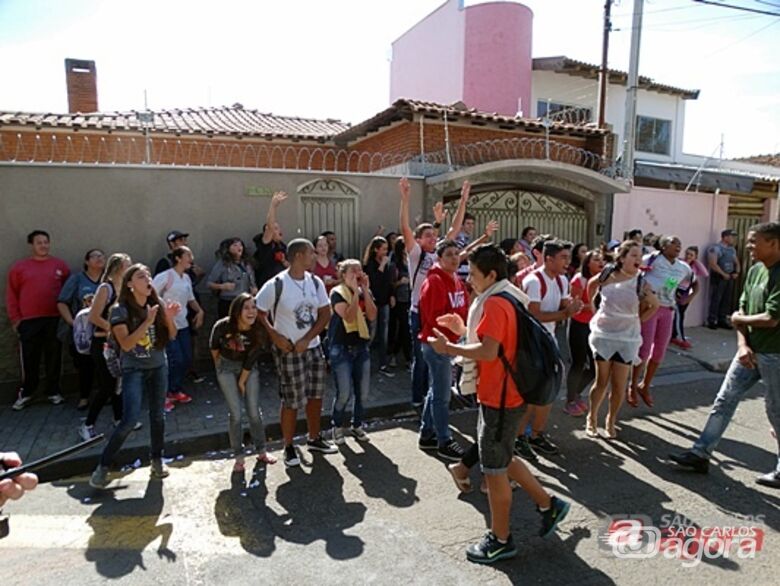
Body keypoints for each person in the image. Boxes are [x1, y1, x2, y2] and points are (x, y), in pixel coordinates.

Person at [428, 244, 570, 564]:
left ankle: (501, 540)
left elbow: (490, 352)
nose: (470, 281)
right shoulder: (507, 297)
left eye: (474, 275)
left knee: (494, 473)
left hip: (501, 398)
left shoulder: (493, 303)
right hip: (508, 394)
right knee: (504, 459)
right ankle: (549, 504)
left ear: (491, 275)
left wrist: (449, 347)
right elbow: (497, 343)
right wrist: (462, 330)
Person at [670, 222, 780, 488]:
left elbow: (772, 317)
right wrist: (742, 345)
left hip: (775, 355)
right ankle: (701, 453)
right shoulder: (755, 271)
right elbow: (741, 310)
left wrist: (738, 318)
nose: (749, 246)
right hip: (749, 352)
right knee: (724, 400)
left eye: (755, 242)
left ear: (774, 243)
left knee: (776, 412)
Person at [90, 264, 180, 488]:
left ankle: (157, 459)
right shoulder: (119, 310)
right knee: (129, 420)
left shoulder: (156, 304)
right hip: (134, 369)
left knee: (158, 416)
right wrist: (148, 322)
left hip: (159, 366)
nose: (148, 279)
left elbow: (172, 335)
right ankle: (102, 466)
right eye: (142, 276)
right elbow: (127, 344)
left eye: (148, 275)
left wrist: (168, 317)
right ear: (130, 284)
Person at [255, 238, 337, 468]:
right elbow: (258, 311)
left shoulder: (315, 282)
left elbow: (324, 313)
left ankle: (314, 438)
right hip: (289, 350)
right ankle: (288, 446)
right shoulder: (276, 284)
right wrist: (275, 336)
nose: (315, 256)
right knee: (291, 401)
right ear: (299, 256)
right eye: (311, 253)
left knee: (315, 395)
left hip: (312, 348)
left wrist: (308, 339)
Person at [399, 176, 471, 408]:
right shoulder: (416, 254)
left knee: (442, 356)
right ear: (418, 240)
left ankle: (435, 396)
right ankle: (418, 400)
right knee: (421, 358)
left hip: (441, 312)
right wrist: (405, 197)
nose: (433, 238)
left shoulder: (440, 253)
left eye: (434, 234)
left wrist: (463, 200)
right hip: (419, 313)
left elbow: (455, 228)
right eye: (427, 235)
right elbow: (405, 227)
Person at [516, 240, 582, 460]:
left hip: (549, 343)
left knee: (548, 393)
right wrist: (565, 314)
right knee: (531, 395)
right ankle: (520, 438)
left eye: (568, 257)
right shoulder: (534, 281)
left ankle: (535, 436)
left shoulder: (562, 279)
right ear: (549, 258)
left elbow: (564, 304)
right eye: (563, 257)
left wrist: (573, 306)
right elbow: (533, 316)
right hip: (531, 346)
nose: (568, 262)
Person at [586, 242, 658, 439]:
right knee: (601, 381)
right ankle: (591, 418)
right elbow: (591, 286)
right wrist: (595, 310)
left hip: (627, 338)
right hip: (604, 335)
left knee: (619, 384)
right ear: (622, 258)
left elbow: (654, 305)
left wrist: (638, 321)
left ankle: (611, 420)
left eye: (640, 255)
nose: (638, 259)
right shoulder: (607, 274)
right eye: (633, 255)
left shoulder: (641, 282)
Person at [210, 293, 277, 472]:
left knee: (254, 411)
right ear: (237, 310)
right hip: (226, 367)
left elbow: (253, 357)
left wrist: (242, 380)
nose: (251, 311)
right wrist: (220, 369)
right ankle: (238, 456)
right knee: (236, 414)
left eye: (254, 307)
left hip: (249, 367)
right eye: (246, 307)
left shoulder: (258, 329)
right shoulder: (223, 326)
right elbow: (214, 348)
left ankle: (261, 450)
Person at [418, 239, 470, 461]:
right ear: (439, 258)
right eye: (449, 254)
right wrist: (452, 333)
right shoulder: (435, 281)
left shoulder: (456, 279)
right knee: (442, 395)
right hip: (436, 344)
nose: (454, 257)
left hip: (450, 344)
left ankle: (427, 433)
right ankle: (444, 440)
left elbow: (464, 307)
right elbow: (433, 317)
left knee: (437, 390)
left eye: (457, 253)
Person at [7, 230, 70, 410]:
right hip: (29, 321)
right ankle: (27, 392)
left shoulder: (60, 265)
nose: (43, 245)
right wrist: (15, 319)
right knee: (29, 358)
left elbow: (67, 291)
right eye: (39, 242)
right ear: (31, 245)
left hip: (54, 319)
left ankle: (53, 391)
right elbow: (12, 295)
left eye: (46, 242)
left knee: (54, 357)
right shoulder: (19, 268)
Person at [629, 236, 693, 408]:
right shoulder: (651, 259)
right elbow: (633, 275)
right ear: (663, 246)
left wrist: (685, 297)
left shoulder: (683, 267)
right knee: (643, 350)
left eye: (680, 243)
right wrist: (640, 297)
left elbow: (692, 283)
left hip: (668, 310)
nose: (678, 245)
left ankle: (645, 385)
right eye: (674, 243)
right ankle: (632, 386)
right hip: (649, 308)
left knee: (659, 352)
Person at [81, 253, 133, 440]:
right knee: (107, 386)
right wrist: (113, 329)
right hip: (103, 342)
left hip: (118, 342)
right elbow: (94, 316)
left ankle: (119, 419)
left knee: (119, 382)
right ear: (119, 267)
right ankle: (88, 424)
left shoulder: (125, 289)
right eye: (128, 264)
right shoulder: (106, 288)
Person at [328, 260, 378, 444]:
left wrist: (364, 290)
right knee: (344, 393)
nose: (357, 273)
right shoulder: (337, 293)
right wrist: (354, 293)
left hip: (361, 346)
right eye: (353, 271)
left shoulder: (365, 292)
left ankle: (357, 425)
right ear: (343, 275)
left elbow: (372, 315)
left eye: (359, 270)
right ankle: (337, 426)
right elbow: (348, 316)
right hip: (341, 348)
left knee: (362, 393)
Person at [152, 246, 205, 410]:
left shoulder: (187, 278)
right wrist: (162, 313)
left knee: (187, 358)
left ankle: (175, 389)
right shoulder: (166, 276)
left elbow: (191, 299)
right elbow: (151, 294)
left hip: (183, 325)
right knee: (175, 359)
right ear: (177, 258)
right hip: (167, 325)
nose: (191, 258)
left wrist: (200, 311)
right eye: (188, 255)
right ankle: (164, 394)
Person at [57, 248, 104, 409]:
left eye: (102, 256)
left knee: (104, 364)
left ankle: (107, 395)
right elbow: (62, 302)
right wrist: (72, 322)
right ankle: (84, 397)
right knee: (84, 365)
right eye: (95, 256)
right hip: (83, 333)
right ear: (86, 261)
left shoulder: (107, 280)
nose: (100, 258)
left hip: (103, 330)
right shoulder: (77, 279)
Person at [565, 250, 604, 416]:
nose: (600, 262)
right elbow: (576, 306)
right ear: (588, 262)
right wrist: (599, 306)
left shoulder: (605, 279)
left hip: (595, 326)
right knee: (578, 363)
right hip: (578, 325)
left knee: (596, 366)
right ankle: (569, 401)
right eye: (596, 259)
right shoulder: (579, 279)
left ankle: (576, 393)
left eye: (602, 259)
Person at [363, 236, 395, 377]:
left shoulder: (387, 263)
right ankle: (364, 363)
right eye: (383, 249)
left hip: (384, 302)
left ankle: (383, 364)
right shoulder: (369, 265)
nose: (386, 252)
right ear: (376, 250)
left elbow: (389, 281)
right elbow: (374, 282)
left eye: (387, 249)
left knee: (384, 335)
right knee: (371, 334)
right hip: (373, 303)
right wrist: (381, 266)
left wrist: (391, 295)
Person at [207, 237, 258, 319]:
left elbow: (252, 280)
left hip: (244, 301)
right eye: (235, 245)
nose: (239, 247)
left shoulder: (247, 264)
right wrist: (222, 286)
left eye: (240, 245)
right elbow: (209, 283)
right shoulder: (222, 264)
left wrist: (254, 289)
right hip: (228, 301)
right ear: (228, 249)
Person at [670, 246, 708, 349]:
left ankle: (674, 335)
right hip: (675, 290)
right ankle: (679, 337)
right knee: (677, 315)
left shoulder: (694, 268)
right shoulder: (679, 264)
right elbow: (672, 278)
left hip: (685, 292)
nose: (688, 256)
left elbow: (704, 273)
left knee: (680, 314)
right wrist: (670, 290)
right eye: (687, 254)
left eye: (691, 255)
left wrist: (695, 262)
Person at [253, 192, 289, 289]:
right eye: (276, 228)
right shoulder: (265, 244)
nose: (279, 230)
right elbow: (270, 225)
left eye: (278, 228)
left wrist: (284, 261)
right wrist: (273, 206)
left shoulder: (283, 247)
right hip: (267, 287)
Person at [706, 229, 741, 330]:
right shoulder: (716, 248)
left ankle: (722, 319)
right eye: (731, 236)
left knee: (726, 299)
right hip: (719, 276)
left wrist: (736, 272)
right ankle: (712, 320)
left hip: (729, 276)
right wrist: (723, 274)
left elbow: (736, 261)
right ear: (725, 237)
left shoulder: (731, 249)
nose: (733, 239)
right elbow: (713, 263)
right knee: (716, 298)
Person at [389, 237, 412, 369]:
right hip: (400, 299)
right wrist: (400, 282)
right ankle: (407, 357)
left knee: (405, 328)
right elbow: (390, 284)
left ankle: (395, 353)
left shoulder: (411, 261)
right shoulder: (395, 265)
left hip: (411, 298)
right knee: (403, 327)